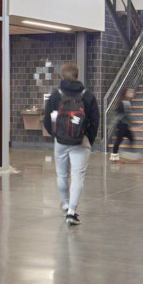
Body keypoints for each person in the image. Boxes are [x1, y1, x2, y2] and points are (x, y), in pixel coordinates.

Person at [43, 62, 99, 226]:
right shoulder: (87, 96)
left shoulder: (55, 95)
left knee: (62, 174)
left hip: (60, 141)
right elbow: (95, 121)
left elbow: (47, 120)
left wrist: (56, 135)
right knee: (77, 176)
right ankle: (71, 212)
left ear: (62, 76)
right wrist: (88, 138)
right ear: (78, 76)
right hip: (80, 141)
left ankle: (65, 203)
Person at [108, 87, 136, 163]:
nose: (132, 93)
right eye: (130, 92)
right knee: (119, 140)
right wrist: (134, 125)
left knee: (130, 139)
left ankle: (117, 155)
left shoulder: (126, 102)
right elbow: (125, 116)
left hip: (124, 125)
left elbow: (127, 115)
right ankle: (114, 156)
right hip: (121, 125)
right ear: (126, 93)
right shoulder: (124, 103)